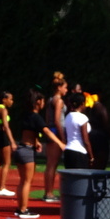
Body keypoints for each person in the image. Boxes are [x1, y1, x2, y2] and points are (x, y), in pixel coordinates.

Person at [12, 88, 65, 219]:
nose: (44, 104)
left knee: (22, 181)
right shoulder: (36, 117)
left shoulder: (26, 115)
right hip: (27, 151)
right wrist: (60, 143)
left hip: (21, 148)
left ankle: (20, 208)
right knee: (26, 181)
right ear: (38, 102)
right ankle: (23, 210)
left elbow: (29, 131)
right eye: (42, 102)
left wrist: (36, 141)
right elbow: (46, 131)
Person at [42, 72, 67, 203]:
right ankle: (49, 193)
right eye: (65, 87)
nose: (66, 90)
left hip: (51, 131)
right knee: (52, 164)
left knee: (50, 163)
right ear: (59, 87)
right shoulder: (58, 101)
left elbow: (48, 118)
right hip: (56, 132)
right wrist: (62, 137)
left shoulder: (50, 100)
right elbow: (57, 120)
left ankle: (48, 192)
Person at [0, 91, 17, 196]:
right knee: (6, 162)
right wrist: (12, 142)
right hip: (2, 136)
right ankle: (2, 187)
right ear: (4, 100)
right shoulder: (3, 110)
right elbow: (6, 127)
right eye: (10, 99)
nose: (12, 101)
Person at [62, 91, 94, 169]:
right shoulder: (82, 118)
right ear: (82, 103)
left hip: (68, 151)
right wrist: (91, 156)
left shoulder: (68, 116)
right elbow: (85, 140)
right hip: (79, 152)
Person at [84, 91, 110, 169]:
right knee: (100, 166)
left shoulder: (89, 107)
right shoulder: (100, 108)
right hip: (100, 140)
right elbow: (107, 127)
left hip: (91, 137)